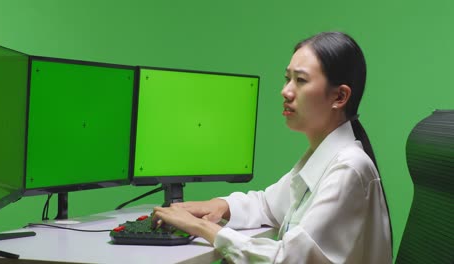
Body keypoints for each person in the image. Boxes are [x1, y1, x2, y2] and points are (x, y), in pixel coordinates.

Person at [152, 31, 393, 263]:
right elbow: (268, 204)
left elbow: (288, 260)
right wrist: (218, 205)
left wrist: (200, 226)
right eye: (287, 78)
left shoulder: (349, 169)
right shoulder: (323, 157)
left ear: (340, 97)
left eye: (300, 80)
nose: (285, 91)